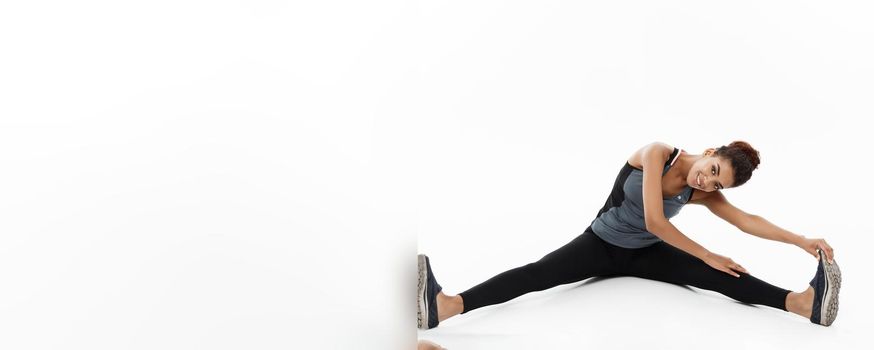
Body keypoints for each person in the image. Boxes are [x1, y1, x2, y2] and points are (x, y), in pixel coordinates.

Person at [417, 141, 841, 330]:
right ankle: (446, 306)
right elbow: (656, 220)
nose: (708, 183)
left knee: (722, 277)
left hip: (648, 254)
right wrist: (707, 253)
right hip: (600, 245)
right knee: (536, 274)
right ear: (710, 153)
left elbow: (746, 220)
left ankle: (803, 305)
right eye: (712, 172)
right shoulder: (658, 153)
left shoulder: (701, 192)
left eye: (718, 186)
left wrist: (801, 240)